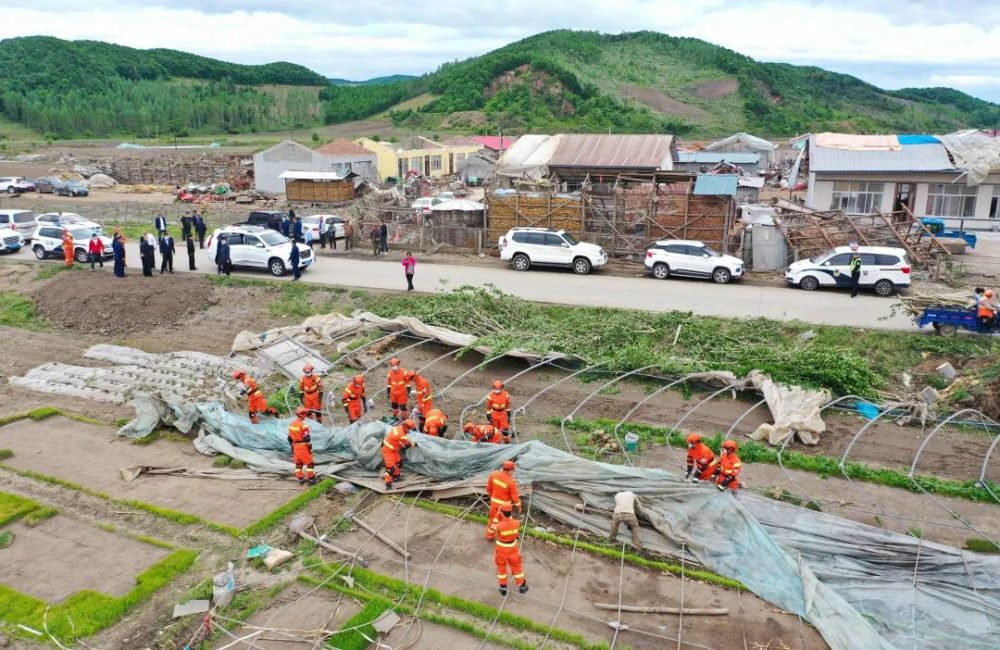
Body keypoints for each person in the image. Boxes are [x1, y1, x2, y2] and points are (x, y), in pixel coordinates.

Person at [493, 508, 528, 596]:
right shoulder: (516, 523)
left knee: (501, 567)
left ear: (502, 512)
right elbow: (510, 521)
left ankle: (503, 587)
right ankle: (522, 586)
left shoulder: (499, 526)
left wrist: (497, 514)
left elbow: (495, 529)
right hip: (513, 547)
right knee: (516, 566)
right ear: (510, 512)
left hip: (501, 548)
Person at [485, 460, 521, 540]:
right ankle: (506, 537)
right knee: (507, 521)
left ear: (503, 468)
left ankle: (489, 536)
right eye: (513, 471)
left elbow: (488, 488)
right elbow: (515, 497)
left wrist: (493, 496)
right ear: (511, 471)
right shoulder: (511, 482)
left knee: (493, 520)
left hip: (494, 503)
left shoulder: (493, 475)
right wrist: (519, 506)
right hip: (505, 507)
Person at [381, 418, 417, 490]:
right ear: (406, 427)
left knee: (399, 463)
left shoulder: (398, 428)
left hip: (394, 450)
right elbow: (407, 445)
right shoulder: (402, 435)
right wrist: (414, 444)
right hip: (388, 451)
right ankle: (388, 485)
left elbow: (400, 441)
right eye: (410, 429)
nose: (410, 431)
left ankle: (396, 476)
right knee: (390, 470)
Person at [288, 406, 317, 486]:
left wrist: (292, 447)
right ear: (302, 415)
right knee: (310, 463)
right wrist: (310, 448)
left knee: (298, 464)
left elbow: (289, 438)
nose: (306, 416)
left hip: (295, 447)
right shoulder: (304, 426)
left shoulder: (291, 425)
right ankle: (311, 479)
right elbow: (307, 439)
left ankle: (300, 479)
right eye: (305, 414)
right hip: (303, 447)